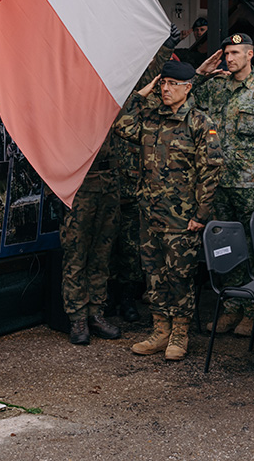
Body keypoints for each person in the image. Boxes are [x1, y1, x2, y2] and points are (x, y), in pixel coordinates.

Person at [62, 31, 177, 345]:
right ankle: (76, 318)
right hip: (81, 185)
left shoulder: (112, 96)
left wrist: (166, 48)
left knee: (102, 252)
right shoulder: (68, 98)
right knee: (77, 254)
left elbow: (143, 82)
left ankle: (96, 312)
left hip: (110, 183)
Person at [114, 60, 222, 361]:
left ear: (188, 88)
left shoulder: (200, 122)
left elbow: (211, 170)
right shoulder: (151, 118)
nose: (165, 88)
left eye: (172, 84)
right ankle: (159, 331)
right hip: (150, 215)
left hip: (182, 218)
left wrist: (201, 214)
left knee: (180, 276)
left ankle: (179, 334)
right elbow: (121, 125)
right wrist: (141, 94)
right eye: (163, 83)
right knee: (154, 275)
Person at [193, 34, 254, 337]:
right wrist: (201, 71)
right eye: (226, 53)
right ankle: (231, 307)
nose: (229, 58)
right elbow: (187, 96)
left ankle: (251, 310)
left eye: (235, 53)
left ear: (249, 55)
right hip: (221, 184)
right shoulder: (216, 88)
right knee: (228, 247)